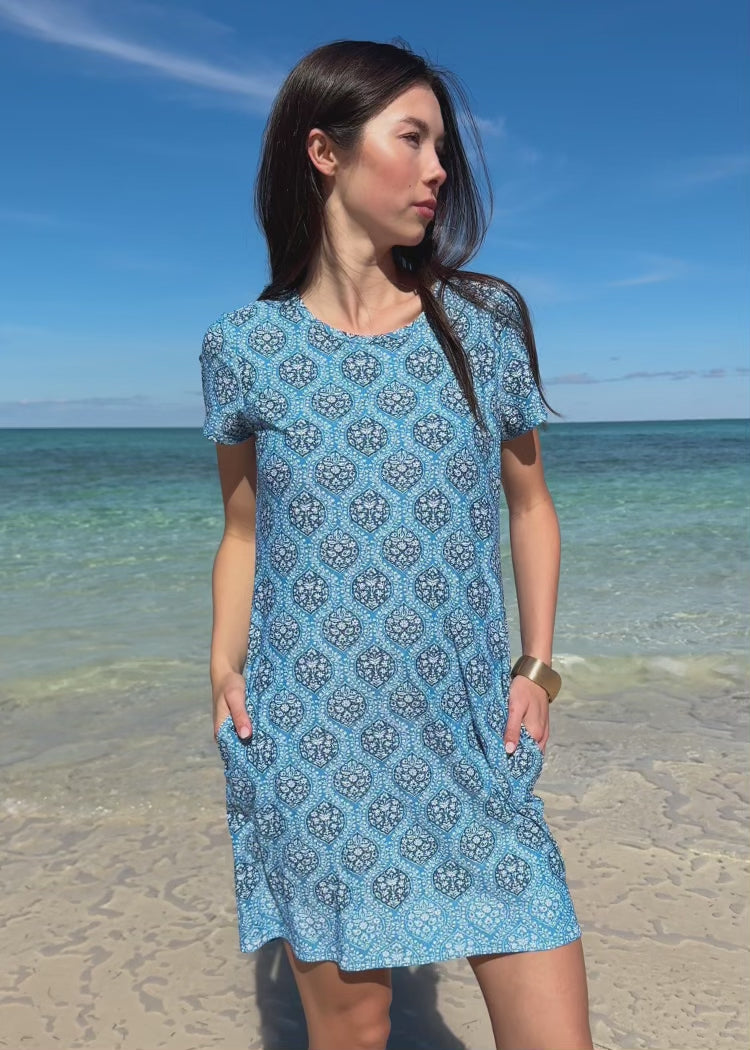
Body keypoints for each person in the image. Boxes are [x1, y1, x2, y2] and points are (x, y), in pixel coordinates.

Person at [198, 38, 594, 1050]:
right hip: (314, 744)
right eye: (412, 139)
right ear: (325, 152)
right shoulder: (245, 349)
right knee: (356, 1035)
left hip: (469, 735)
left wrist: (538, 668)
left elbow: (532, 505)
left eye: (443, 147)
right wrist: (222, 665)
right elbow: (244, 529)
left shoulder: (483, 321)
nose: (439, 169)